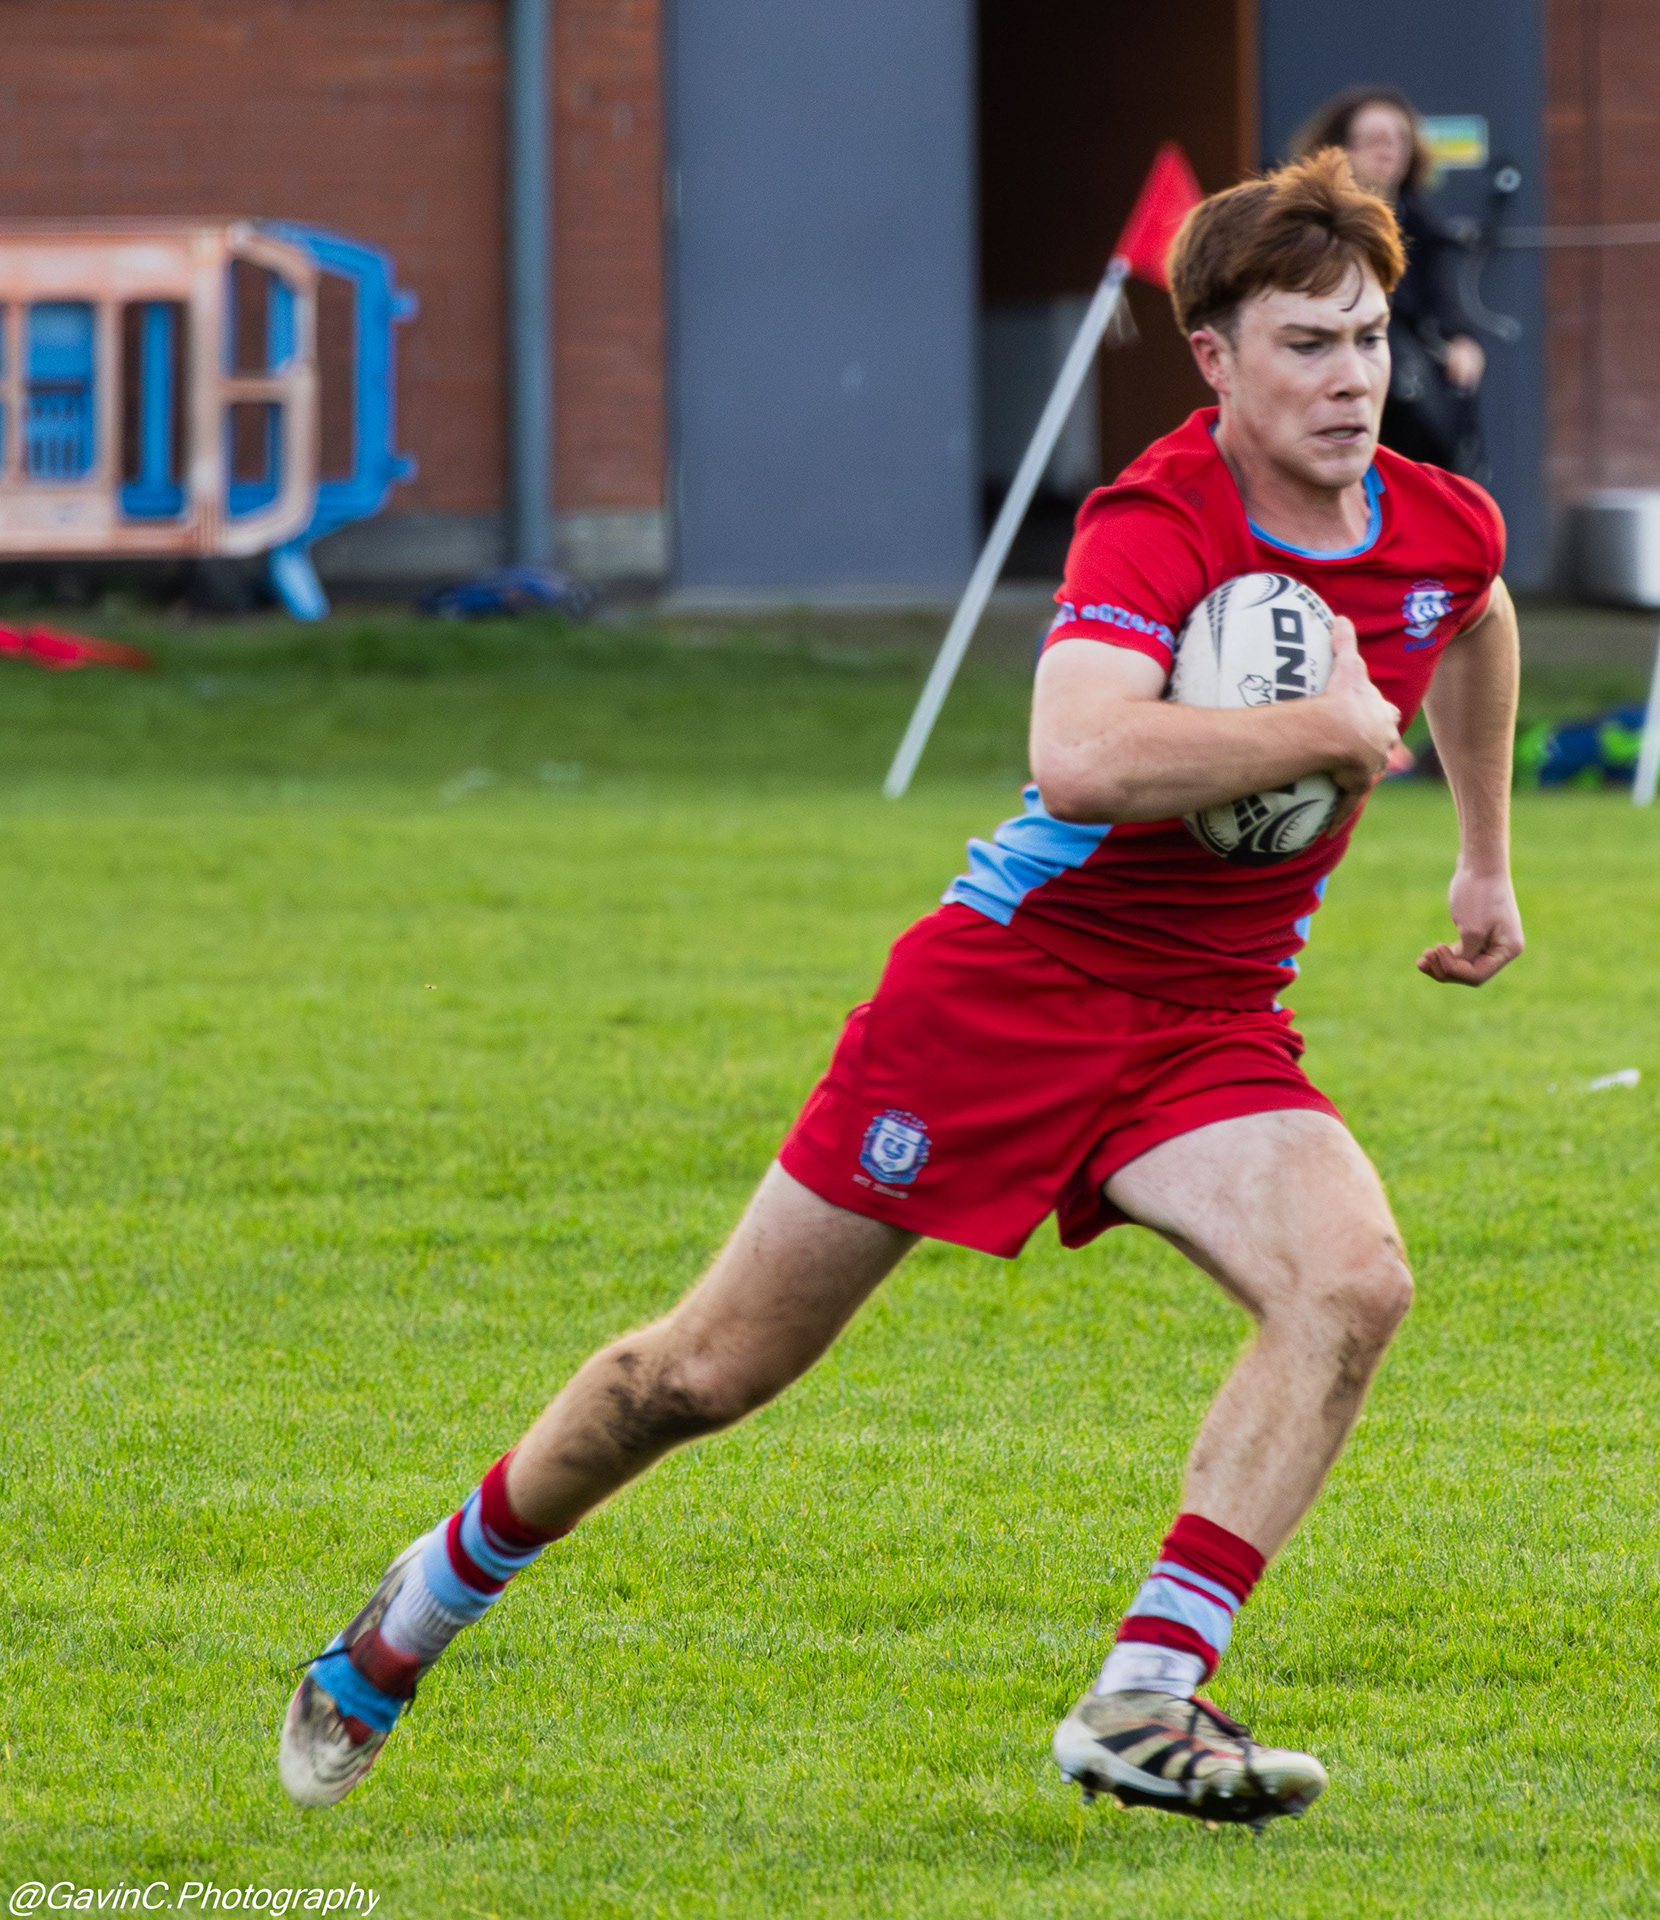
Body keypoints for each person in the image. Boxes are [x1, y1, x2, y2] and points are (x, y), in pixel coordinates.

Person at [277, 150, 1525, 1828]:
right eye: (1307, 343)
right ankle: (412, 1613)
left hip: (1212, 1024)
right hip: (1005, 994)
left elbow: (1479, 617)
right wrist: (1309, 728)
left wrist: (1484, 855)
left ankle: (1148, 1694)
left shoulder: (1439, 523)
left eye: (1369, 336)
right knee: (698, 1378)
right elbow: (1077, 756)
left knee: (1352, 1283)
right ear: (1215, 359)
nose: (1354, 376)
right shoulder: (1156, 519)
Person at [1294, 85, 1487, 472]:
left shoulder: (1424, 228)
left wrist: (1464, 343)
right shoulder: (1308, 225)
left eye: (1400, 139)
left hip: (1408, 399)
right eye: (1375, 139)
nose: (1389, 149)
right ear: (1340, 149)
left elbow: (1445, 306)